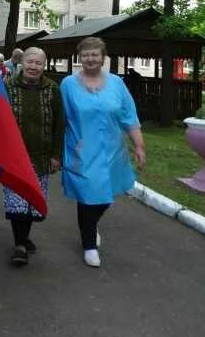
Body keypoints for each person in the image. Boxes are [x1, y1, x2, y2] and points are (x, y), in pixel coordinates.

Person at [60, 37, 146, 268]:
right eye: (86, 54)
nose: (90, 58)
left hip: (112, 150)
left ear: (103, 57)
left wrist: (139, 146)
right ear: (80, 57)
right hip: (81, 150)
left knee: (104, 195)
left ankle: (91, 225)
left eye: (95, 54)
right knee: (88, 195)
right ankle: (89, 245)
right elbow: (61, 118)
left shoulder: (117, 83)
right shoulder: (68, 84)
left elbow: (129, 115)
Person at [3, 47, 64, 266]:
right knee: (17, 201)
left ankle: (24, 236)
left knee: (31, 201)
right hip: (14, 157)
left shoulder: (52, 89)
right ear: (22, 63)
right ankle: (19, 244)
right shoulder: (8, 87)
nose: (33, 67)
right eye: (30, 62)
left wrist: (56, 155)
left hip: (41, 156)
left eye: (38, 63)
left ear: (44, 65)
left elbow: (60, 124)